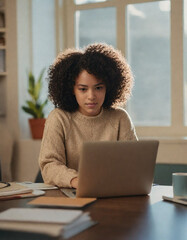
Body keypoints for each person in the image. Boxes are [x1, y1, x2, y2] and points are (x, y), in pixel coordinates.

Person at [39, 43, 138, 189]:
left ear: (108, 87)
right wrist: (77, 181)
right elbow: (49, 165)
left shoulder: (120, 118)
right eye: (83, 89)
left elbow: (135, 163)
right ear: (72, 89)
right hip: (70, 195)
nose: (91, 96)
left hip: (114, 194)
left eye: (98, 88)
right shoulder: (59, 118)